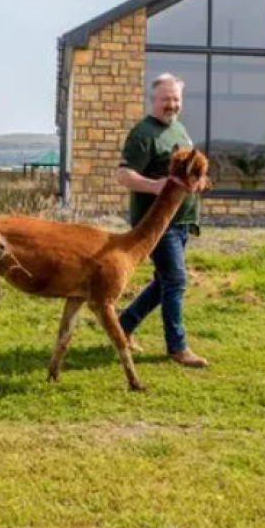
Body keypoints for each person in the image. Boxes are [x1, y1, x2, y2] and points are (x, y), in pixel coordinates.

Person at [115, 73, 209, 368]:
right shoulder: (144, 134)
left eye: (176, 99)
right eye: (166, 99)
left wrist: (200, 180)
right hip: (155, 225)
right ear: (153, 100)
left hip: (181, 220)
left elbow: (188, 169)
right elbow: (124, 175)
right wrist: (156, 186)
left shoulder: (179, 130)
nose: (172, 105)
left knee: (164, 281)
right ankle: (177, 347)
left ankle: (124, 325)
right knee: (176, 280)